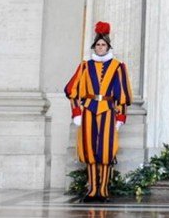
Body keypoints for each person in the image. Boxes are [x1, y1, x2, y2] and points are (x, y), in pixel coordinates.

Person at [64, 21, 133, 203]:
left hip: (108, 111)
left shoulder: (118, 67)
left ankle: (103, 190)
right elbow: (72, 90)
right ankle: (93, 189)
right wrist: (76, 112)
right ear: (94, 47)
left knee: (106, 151)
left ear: (108, 47)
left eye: (103, 45)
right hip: (88, 111)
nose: (100, 47)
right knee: (90, 150)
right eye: (98, 45)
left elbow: (122, 95)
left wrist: (120, 117)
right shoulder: (85, 66)